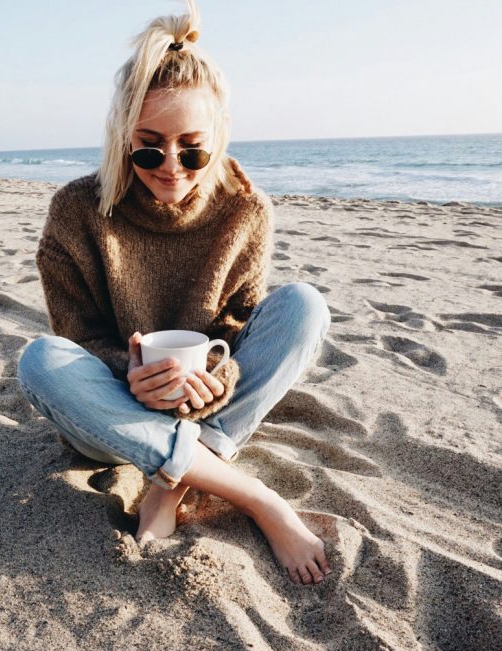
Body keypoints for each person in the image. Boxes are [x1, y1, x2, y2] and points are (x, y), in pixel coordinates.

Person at [17, 0, 332, 586]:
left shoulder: (244, 210)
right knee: (40, 360)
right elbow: (76, 336)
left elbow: (237, 324)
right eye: (148, 145)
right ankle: (255, 495)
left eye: (192, 147)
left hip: (206, 406)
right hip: (112, 417)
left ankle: (172, 477)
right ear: (122, 136)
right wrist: (128, 371)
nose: (170, 166)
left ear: (218, 137)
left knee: (304, 305)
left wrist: (221, 377)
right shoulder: (77, 211)